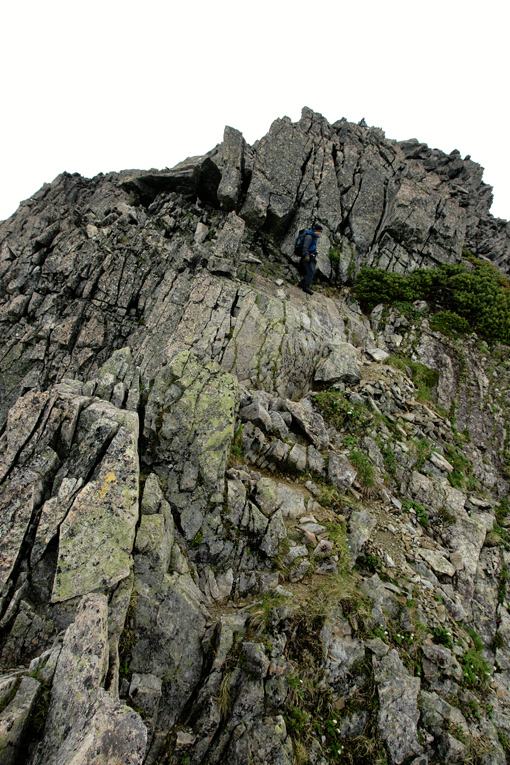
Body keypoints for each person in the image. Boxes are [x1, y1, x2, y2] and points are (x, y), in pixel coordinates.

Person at [297, 224, 322, 295]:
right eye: (320, 231)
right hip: (307, 257)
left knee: (313, 271)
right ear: (317, 231)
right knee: (310, 271)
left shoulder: (314, 237)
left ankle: (301, 283)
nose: (320, 233)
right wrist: (307, 255)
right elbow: (305, 246)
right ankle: (306, 287)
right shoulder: (309, 236)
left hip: (311, 256)